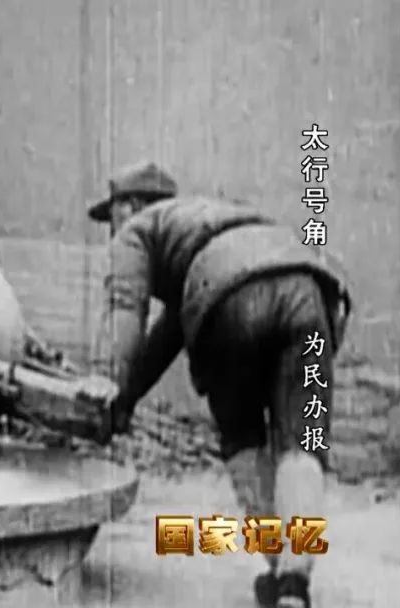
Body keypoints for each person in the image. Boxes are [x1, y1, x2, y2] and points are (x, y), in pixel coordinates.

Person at [87, 161, 351, 608]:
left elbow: (124, 306)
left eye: (110, 215)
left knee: (243, 438)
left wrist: (106, 383)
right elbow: (167, 337)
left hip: (231, 305)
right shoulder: (215, 217)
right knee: (302, 442)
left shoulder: (138, 230)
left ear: (129, 205)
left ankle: (276, 564)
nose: (110, 229)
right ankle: (293, 583)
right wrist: (127, 398)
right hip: (308, 293)